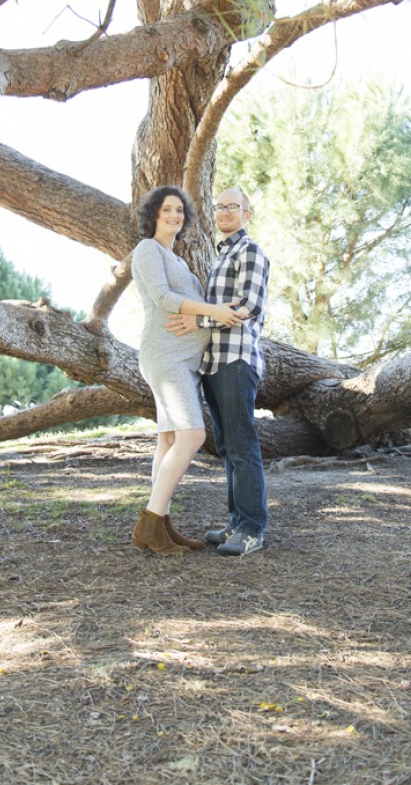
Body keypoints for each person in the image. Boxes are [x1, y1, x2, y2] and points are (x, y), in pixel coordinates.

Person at [130, 185, 246, 556]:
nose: (174, 216)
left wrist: (211, 311)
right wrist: (214, 312)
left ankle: (160, 524)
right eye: (167, 210)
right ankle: (149, 522)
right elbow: (164, 298)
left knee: (168, 439)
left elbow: (189, 304)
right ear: (154, 215)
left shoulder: (175, 257)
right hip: (166, 357)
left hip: (183, 360)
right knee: (193, 435)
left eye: (180, 211)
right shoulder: (148, 250)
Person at [167, 187, 270, 557]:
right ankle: (235, 523)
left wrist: (198, 321)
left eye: (233, 207)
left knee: (242, 444)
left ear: (248, 214)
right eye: (220, 207)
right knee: (228, 446)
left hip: (236, 360)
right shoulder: (219, 256)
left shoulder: (251, 252)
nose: (225, 212)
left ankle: (253, 529)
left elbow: (247, 306)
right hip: (214, 363)